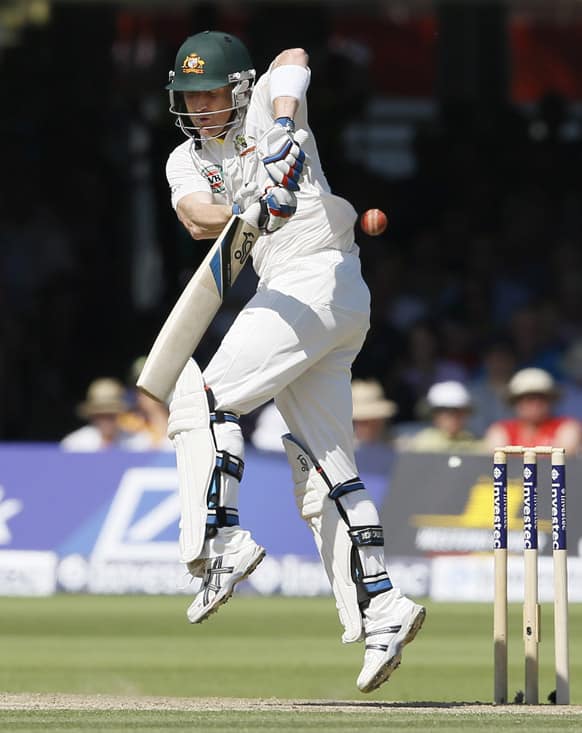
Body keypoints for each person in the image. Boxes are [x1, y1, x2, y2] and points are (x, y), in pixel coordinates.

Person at [160, 30, 425, 693]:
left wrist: (281, 127)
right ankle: (383, 605)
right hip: (307, 300)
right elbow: (197, 219)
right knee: (326, 469)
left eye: (211, 93)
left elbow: (295, 58)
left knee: (205, 395)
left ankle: (221, 540)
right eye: (190, 99)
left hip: (318, 278)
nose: (201, 109)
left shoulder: (268, 110)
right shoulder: (184, 160)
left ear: (239, 89)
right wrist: (247, 208)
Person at [484, 367, 582, 453]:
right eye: (528, 398)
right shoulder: (501, 431)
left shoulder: (566, 428)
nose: (536, 403)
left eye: (542, 397)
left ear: (551, 400)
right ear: (515, 402)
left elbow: (563, 464)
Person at [61, 378, 144, 451]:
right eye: (100, 415)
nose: (106, 420)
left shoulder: (136, 444)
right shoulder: (74, 445)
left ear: (119, 414)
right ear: (92, 416)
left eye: (111, 415)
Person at [399, 381, 482, 453]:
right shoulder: (421, 443)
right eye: (446, 411)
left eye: (460, 411)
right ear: (434, 414)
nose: (454, 416)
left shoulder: (474, 442)